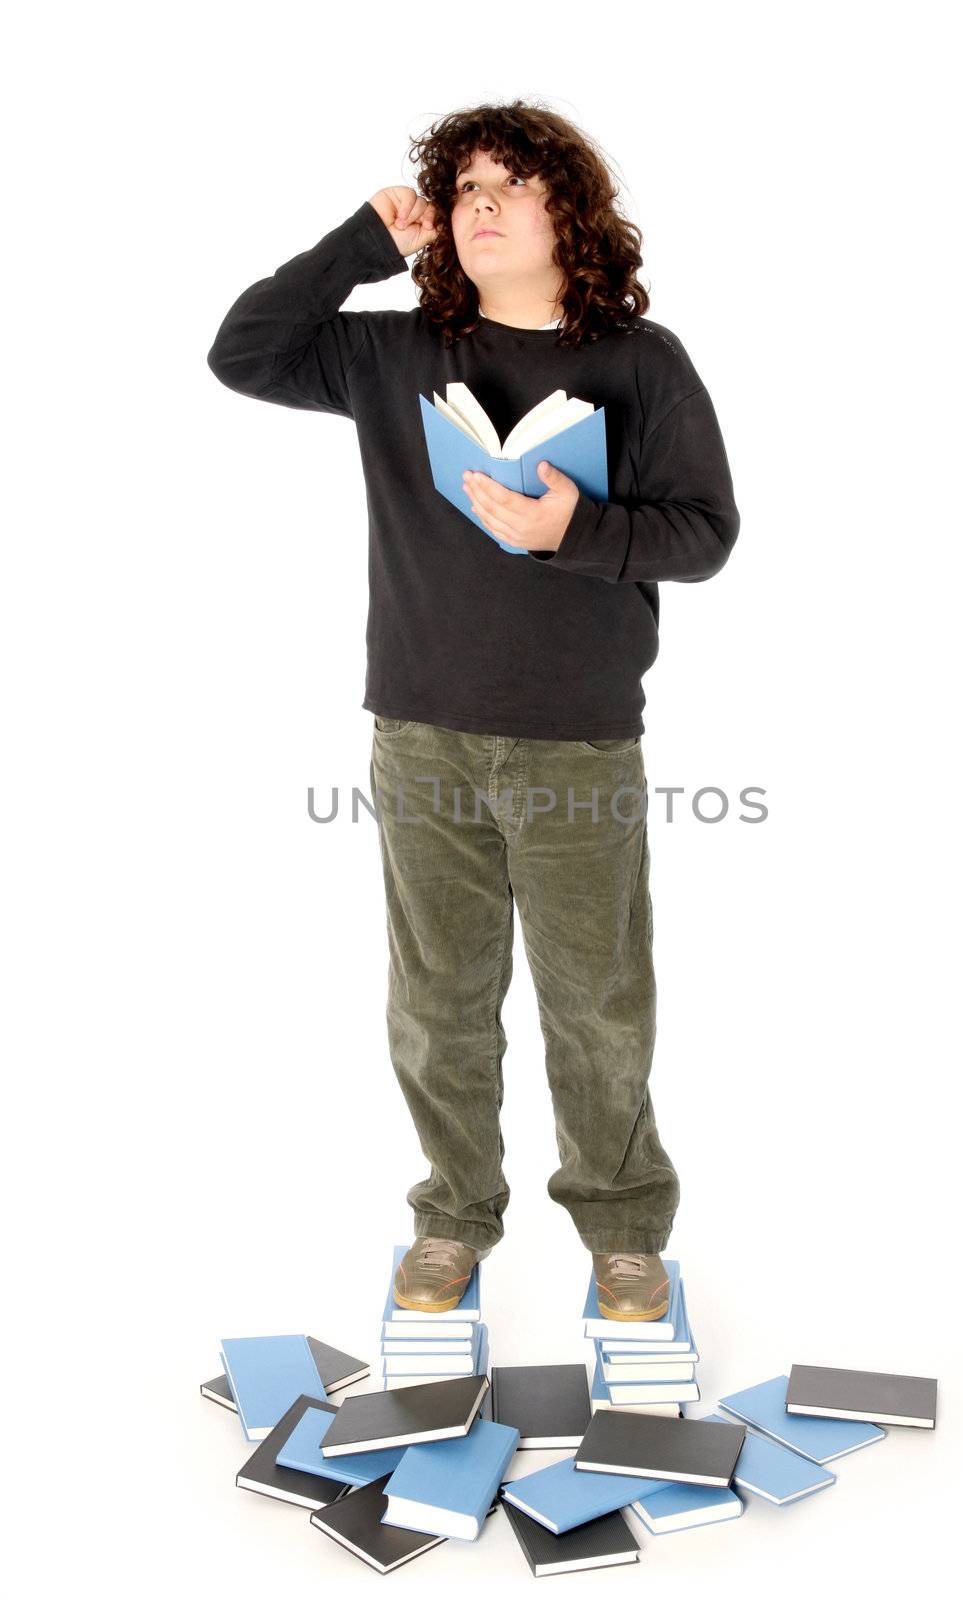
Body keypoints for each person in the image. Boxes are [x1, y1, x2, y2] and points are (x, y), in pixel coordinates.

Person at [206, 101, 740, 1323]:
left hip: (578, 735)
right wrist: (356, 242)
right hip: (419, 728)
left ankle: (620, 1230)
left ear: (570, 213)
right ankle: (451, 1215)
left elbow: (703, 536)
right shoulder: (393, 353)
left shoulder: (639, 362)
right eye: (461, 189)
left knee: (596, 1000)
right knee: (437, 999)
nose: (479, 204)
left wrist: (577, 530)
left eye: (511, 183)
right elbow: (244, 353)